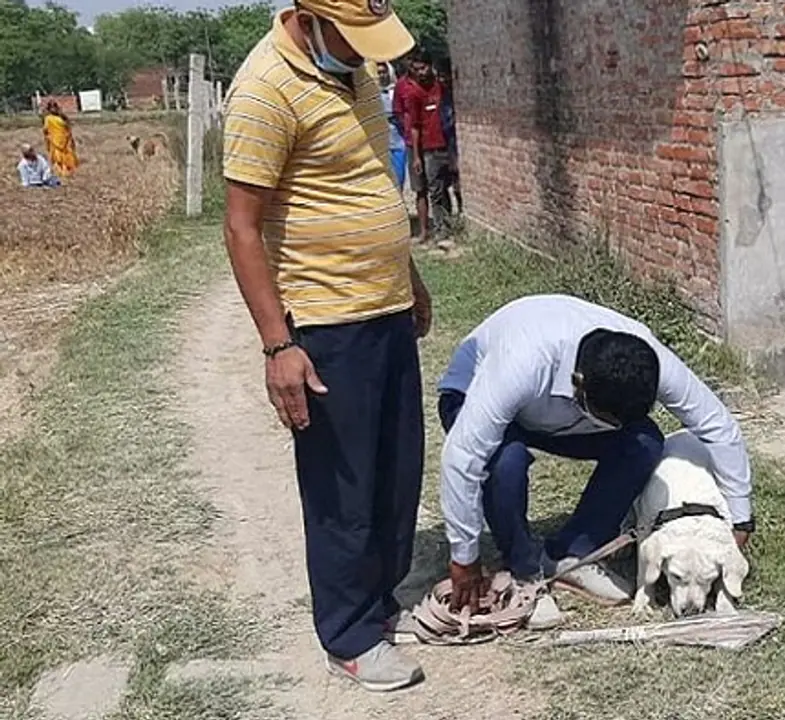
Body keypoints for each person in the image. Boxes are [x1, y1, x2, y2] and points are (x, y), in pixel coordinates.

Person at [220, 0, 432, 693]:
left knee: (397, 473)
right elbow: (242, 228)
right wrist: (278, 345)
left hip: (387, 307)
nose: (368, 51)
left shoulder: (356, 70)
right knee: (343, 487)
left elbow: (369, 184)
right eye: (355, 37)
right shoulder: (264, 89)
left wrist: (411, 277)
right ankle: (348, 634)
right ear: (309, 19)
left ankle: (381, 599)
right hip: (325, 321)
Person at [436, 294, 756, 626]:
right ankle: (524, 571)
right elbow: (462, 458)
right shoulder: (522, 363)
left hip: (558, 411)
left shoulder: (649, 358)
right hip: (471, 396)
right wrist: (464, 557)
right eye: (606, 418)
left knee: (643, 441)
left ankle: (571, 553)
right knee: (506, 460)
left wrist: (741, 520)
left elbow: (718, 426)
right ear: (579, 386)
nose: (613, 428)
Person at [394, 53, 452, 247]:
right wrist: (417, 155)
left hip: (442, 143)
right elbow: (414, 125)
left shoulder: (440, 87)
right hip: (421, 146)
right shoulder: (411, 92)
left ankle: (445, 226)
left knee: (441, 187)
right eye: (416, 69)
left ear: (430, 66)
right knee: (424, 189)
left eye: (423, 68)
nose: (420, 72)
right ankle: (430, 230)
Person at [436, 58, 462, 214]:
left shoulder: (457, 95)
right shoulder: (440, 94)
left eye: (446, 75)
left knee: (458, 176)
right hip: (444, 141)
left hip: (455, 141)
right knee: (448, 179)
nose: (443, 79)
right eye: (440, 76)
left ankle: (461, 208)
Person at [377, 62, 408, 190]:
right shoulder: (372, 94)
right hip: (380, 144)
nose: (382, 76)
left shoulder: (395, 91)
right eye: (378, 73)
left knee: (399, 177)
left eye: (384, 72)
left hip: (398, 141)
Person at [41, 100, 78, 178]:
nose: (53, 109)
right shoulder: (48, 118)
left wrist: (69, 136)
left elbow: (68, 127)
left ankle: (69, 169)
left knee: (68, 155)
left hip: (65, 140)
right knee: (57, 157)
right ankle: (60, 170)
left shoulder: (62, 117)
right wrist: (47, 137)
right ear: (49, 109)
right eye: (51, 108)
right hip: (54, 140)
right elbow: (45, 129)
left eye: (54, 107)